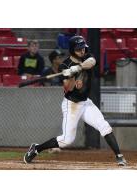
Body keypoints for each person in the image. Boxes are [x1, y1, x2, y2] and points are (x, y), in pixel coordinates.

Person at [24, 35, 127, 166]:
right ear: (72, 50)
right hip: (72, 104)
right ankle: (36, 148)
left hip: (86, 102)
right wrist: (70, 75)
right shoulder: (64, 65)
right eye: (79, 49)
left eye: (83, 48)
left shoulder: (86, 56)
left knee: (104, 126)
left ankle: (119, 156)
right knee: (67, 140)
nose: (82, 51)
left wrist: (78, 67)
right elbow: (68, 88)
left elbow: (92, 62)